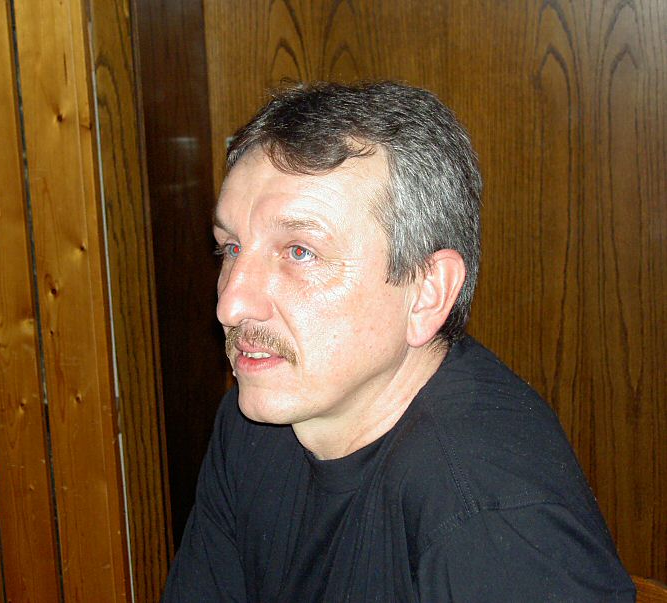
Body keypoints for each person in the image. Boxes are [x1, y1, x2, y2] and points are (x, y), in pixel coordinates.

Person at [163, 81, 634, 601]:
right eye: (231, 248)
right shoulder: (256, 423)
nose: (230, 304)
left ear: (427, 293)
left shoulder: (489, 521)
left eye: (300, 252)